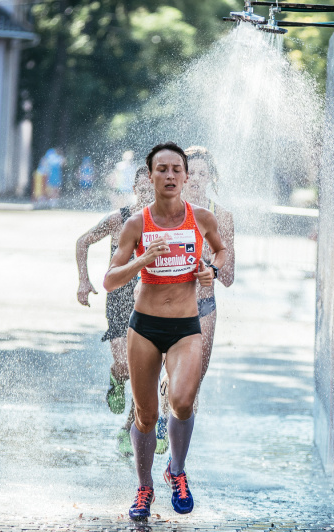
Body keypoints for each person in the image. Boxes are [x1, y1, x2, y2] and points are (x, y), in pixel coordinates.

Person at [103, 142, 227, 521]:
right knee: (145, 414)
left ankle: (176, 469)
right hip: (145, 327)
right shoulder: (136, 223)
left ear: (186, 177)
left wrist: (213, 271)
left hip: (186, 328)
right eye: (162, 169)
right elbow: (109, 280)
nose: (170, 176)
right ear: (150, 176)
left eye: (177, 169)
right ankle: (144, 488)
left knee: (183, 401)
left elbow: (221, 252)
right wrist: (143, 259)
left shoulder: (202, 218)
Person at [75, 166, 168, 456]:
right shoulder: (120, 219)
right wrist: (83, 280)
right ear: (134, 190)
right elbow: (83, 241)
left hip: (151, 300)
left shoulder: (165, 221)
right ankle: (117, 377)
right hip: (120, 298)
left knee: (150, 376)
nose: (145, 195)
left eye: (150, 190)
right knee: (127, 368)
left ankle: (133, 427)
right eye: (141, 190)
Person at [158, 146, 235, 415]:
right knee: (174, 378)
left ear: (211, 178)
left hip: (203, 307)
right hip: (167, 305)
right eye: (194, 172)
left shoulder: (222, 217)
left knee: (193, 388)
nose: (198, 178)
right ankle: (163, 418)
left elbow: (229, 277)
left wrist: (211, 264)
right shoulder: (164, 210)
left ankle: (177, 455)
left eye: (205, 173)